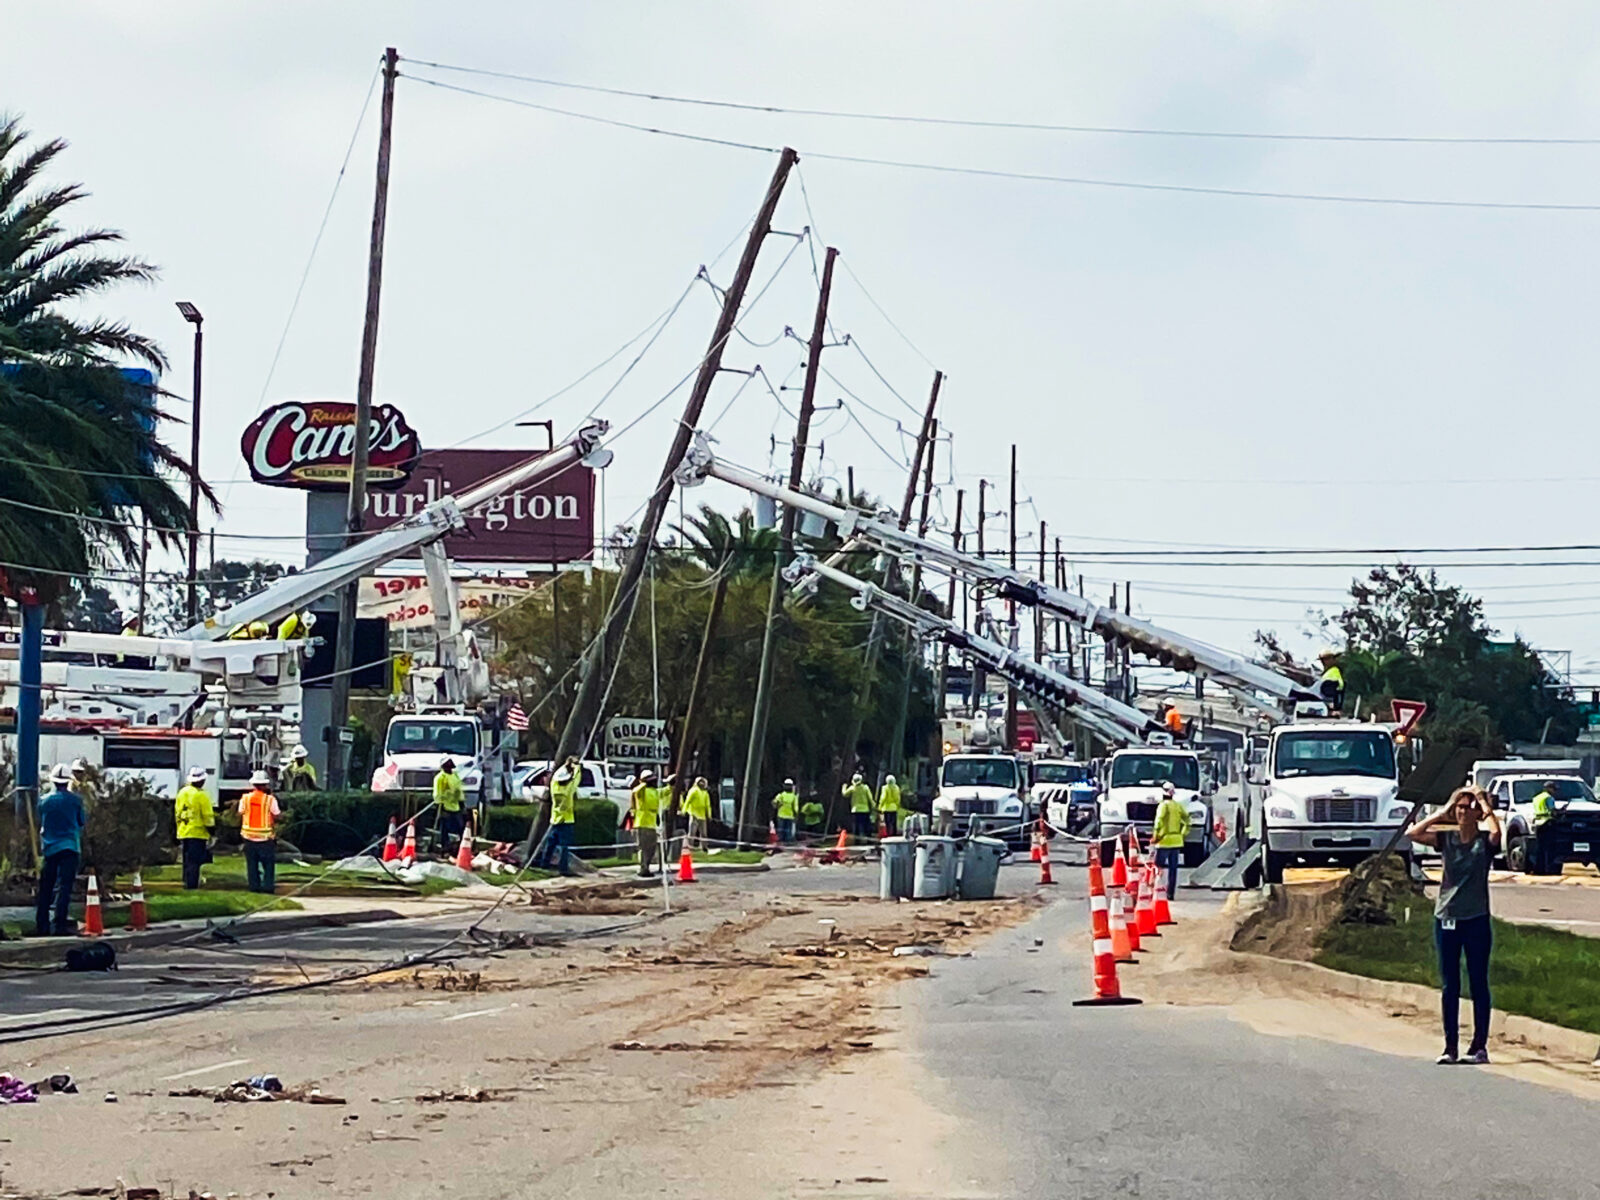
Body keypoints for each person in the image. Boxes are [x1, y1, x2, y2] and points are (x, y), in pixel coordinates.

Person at [1407, 787, 1502, 1064]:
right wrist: (1443, 809)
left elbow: (1498, 834)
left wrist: (1484, 803)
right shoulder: (1446, 839)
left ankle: (1479, 1047)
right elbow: (1413, 834)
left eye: (1467, 807)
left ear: (1477, 813)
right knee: (1450, 984)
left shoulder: (1483, 842)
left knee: (1478, 981)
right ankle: (1450, 1047)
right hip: (1447, 916)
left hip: (1476, 918)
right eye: (1460, 807)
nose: (1463, 812)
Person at [34, 764, 85, 937]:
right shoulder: (76, 801)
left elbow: (40, 820)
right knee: (64, 887)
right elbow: (81, 822)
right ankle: (60, 924)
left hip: (49, 848)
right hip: (70, 846)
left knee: (46, 887)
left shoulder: (44, 801)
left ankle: (42, 925)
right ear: (68, 781)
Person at [238, 769, 281, 895]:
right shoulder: (270, 800)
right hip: (265, 838)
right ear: (265, 784)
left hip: (248, 837)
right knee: (268, 865)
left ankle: (254, 886)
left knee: (252, 864)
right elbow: (277, 814)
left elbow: (241, 812)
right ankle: (268, 887)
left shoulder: (245, 798)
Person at [173, 766, 215, 890]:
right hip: (198, 832)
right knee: (195, 861)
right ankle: (192, 885)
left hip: (183, 831)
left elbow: (177, 811)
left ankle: (186, 881)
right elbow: (207, 816)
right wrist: (212, 830)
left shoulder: (182, 792)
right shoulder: (202, 795)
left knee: (186, 860)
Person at [535, 763, 578, 875]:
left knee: (551, 844)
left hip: (555, 819)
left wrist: (565, 765)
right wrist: (576, 766)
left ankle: (544, 864)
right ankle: (563, 868)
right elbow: (576, 779)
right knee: (564, 847)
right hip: (566, 820)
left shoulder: (555, 787)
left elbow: (554, 778)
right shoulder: (568, 790)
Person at [1151, 781, 1190, 900]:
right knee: (1173, 870)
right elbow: (1187, 821)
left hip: (1164, 841)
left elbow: (1159, 822)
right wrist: (1182, 834)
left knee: (1157, 867)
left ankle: (1155, 890)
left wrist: (1155, 835)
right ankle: (1170, 894)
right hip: (1176, 841)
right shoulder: (1178, 806)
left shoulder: (1163, 806)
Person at [631, 769, 661, 877]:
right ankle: (643, 868)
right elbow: (635, 791)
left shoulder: (655, 791)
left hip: (652, 823)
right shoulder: (642, 791)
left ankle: (647, 867)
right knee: (643, 848)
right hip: (642, 822)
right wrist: (644, 782)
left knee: (651, 848)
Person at [433, 759, 466, 854]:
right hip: (445, 806)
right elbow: (437, 793)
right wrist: (440, 803)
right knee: (445, 828)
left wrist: (461, 802)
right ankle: (445, 847)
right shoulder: (440, 778)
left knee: (460, 827)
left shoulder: (455, 775)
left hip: (456, 805)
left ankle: (461, 845)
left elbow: (459, 789)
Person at [681, 775, 712, 850]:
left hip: (702, 815)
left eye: (703, 782)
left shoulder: (705, 793)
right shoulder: (693, 790)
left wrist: (709, 815)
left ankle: (704, 847)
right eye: (700, 782)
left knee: (704, 833)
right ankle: (689, 846)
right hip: (694, 814)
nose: (701, 783)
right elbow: (688, 801)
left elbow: (708, 805)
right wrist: (684, 811)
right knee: (692, 832)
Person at [842, 772, 874, 839]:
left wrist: (844, 787)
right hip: (865, 810)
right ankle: (869, 839)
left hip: (855, 810)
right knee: (866, 826)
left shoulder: (852, 788)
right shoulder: (865, 788)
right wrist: (873, 806)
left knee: (856, 826)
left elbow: (845, 794)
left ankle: (857, 840)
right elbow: (870, 798)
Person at [773, 779, 800, 843]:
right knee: (787, 831)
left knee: (782, 830)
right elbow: (796, 808)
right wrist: (796, 814)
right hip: (787, 816)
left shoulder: (781, 795)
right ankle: (786, 843)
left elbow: (774, 803)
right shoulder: (793, 796)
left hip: (783, 815)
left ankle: (782, 842)